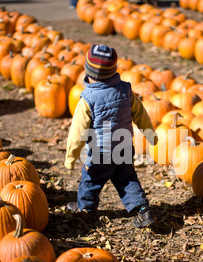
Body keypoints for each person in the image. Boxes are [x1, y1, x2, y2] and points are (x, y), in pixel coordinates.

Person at [64, 44, 157, 228]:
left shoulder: (87, 98)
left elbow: (77, 133)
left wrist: (71, 157)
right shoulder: (125, 90)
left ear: (88, 71)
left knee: (90, 181)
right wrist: (150, 135)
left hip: (100, 153)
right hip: (123, 148)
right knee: (127, 180)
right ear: (114, 69)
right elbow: (141, 114)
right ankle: (142, 210)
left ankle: (85, 211)